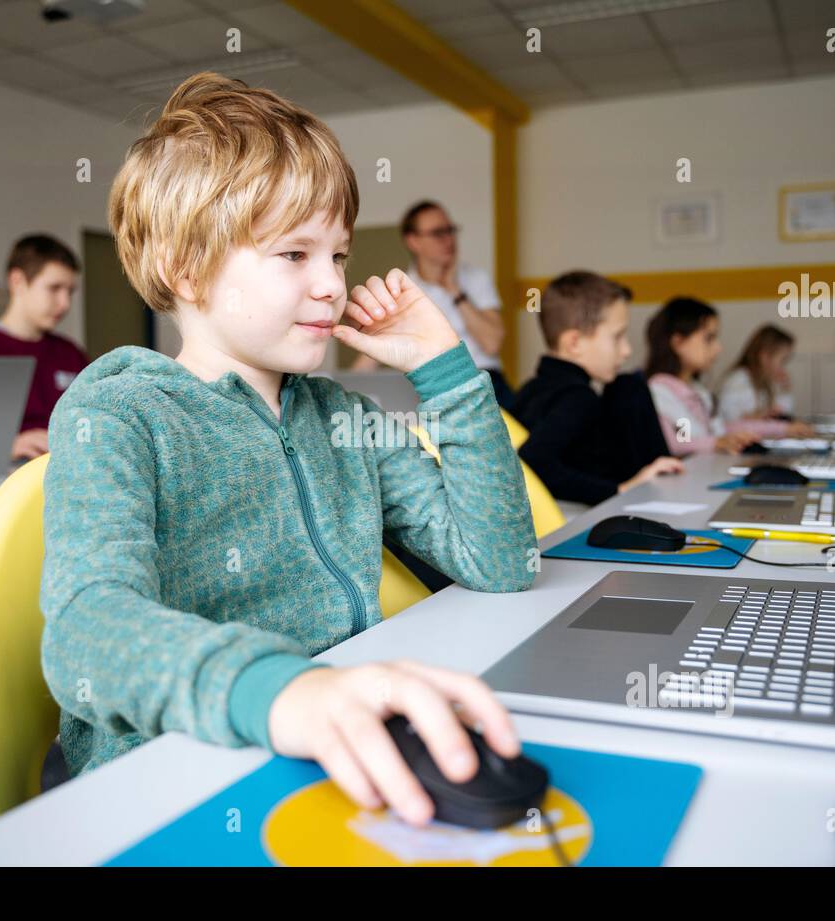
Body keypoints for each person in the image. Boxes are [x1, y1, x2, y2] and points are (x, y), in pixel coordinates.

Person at [40, 73, 537, 827]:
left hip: (336, 736)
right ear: (186, 267)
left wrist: (447, 369)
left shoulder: (346, 414)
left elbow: (499, 563)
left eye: (337, 256)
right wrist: (282, 691)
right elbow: (86, 633)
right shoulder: (118, 413)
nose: (332, 287)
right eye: (294, 255)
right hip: (174, 775)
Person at [513, 271, 683, 505]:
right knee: (628, 387)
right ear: (574, 343)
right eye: (617, 337)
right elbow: (533, 460)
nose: (627, 350)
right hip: (593, 513)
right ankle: (668, 473)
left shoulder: (530, 389)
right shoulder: (578, 397)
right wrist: (618, 490)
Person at [351, 200, 513, 409]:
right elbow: (364, 366)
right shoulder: (401, 288)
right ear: (413, 241)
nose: (449, 239)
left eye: (450, 230)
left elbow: (492, 343)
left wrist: (454, 289)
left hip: (487, 380)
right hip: (434, 387)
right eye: (438, 233)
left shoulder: (475, 278)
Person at [0, 235, 89, 460]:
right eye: (54, 288)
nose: (65, 303)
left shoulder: (71, 353)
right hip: (7, 479)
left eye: (70, 291)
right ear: (17, 282)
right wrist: (6, 446)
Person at [645, 297, 811, 456]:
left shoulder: (695, 391)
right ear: (678, 343)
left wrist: (782, 429)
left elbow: (720, 429)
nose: (718, 348)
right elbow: (682, 441)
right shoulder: (664, 393)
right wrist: (717, 442)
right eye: (709, 339)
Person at [718, 324, 813, 430]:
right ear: (765, 357)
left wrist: (784, 390)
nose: (783, 367)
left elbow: (784, 414)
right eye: (782, 360)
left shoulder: (766, 380)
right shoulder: (738, 380)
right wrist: (760, 416)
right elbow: (731, 422)